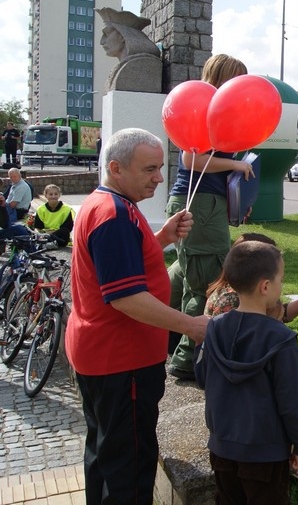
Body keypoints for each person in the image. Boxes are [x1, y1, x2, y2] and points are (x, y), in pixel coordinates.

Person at [64, 128, 209, 504]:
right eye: (149, 169)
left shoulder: (107, 203)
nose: (159, 177)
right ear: (116, 168)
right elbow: (126, 297)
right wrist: (191, 325)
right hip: (120, 362)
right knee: (127, 466)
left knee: (105, 453)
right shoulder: (113, 215)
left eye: (160, 167)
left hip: (102, 355)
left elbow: (115, 267)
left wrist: (160, 238)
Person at [194, 240, 298, 503]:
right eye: (281, 279)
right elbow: (291, 404)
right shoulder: (282, 339)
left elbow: (201, 377)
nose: (281, 285)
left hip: (222, 447)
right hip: (266, 454)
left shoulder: (211, 329)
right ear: (266, 286)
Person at [166, 53, 255, 381]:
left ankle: (168, 336)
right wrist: (236, 165)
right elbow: (192, 160)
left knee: (185, 271)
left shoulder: (213, 111)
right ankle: (188, 358)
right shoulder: (203, 110)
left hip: (204, 203)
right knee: (207, 280)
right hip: (199, 204)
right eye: (236, 78)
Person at [205, 232, 298, 422]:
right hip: (257, 371)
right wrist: (290, 380)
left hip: (264, 360)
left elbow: (280, 315)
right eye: (279, 278)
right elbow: (243, 357)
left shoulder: (245, 291)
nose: (281, 285)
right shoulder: (231, 300)